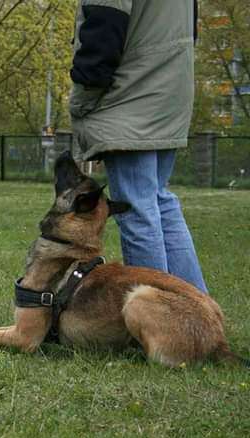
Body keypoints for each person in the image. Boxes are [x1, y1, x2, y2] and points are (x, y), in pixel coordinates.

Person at [69, 0, 207, 293]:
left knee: (138, 210)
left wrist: (81, 99)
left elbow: (103, 31)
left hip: (131, 95)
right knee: (159, 201)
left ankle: (161, 315)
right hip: (168, 92)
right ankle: (197, 308)